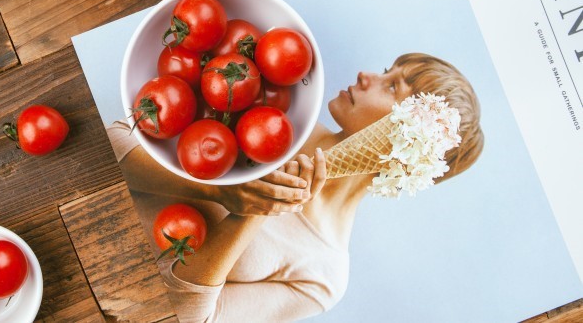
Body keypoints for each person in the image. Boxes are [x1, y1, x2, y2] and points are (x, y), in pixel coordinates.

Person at [108, 52, 484, 323]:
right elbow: (116, 137)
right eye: (388, 70)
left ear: (411, 148)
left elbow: (193, 318)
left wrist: (253, 212)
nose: (366, 74)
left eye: (392, 86)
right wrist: (216, 192)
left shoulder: (324, 274)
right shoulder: (279, 116)